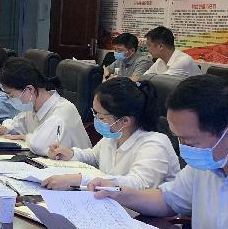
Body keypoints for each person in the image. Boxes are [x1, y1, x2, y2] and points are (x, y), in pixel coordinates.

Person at [91, 75, 228, 229]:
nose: (184, 149)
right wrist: (119, 193)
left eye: (190, 141)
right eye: (178, 138)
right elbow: (167, 200)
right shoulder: (207, 165)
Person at [41, 78, 180, 190]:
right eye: (94, 113)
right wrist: (71, 154)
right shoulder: (115, 135)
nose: (96, 119)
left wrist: (81, 180)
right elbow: (94, 156)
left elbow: (138, 185)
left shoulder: (155, 145)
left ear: (125, 120)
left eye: (100, 116)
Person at [0, 57, 91, 156]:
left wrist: (26, 137)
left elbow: (39, 145)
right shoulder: (33, 106)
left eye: (11, 96)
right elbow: (17, 124)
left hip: (76, 165)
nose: (10, 100)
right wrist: (4, 128)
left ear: (30, 89)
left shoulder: (62, 111)